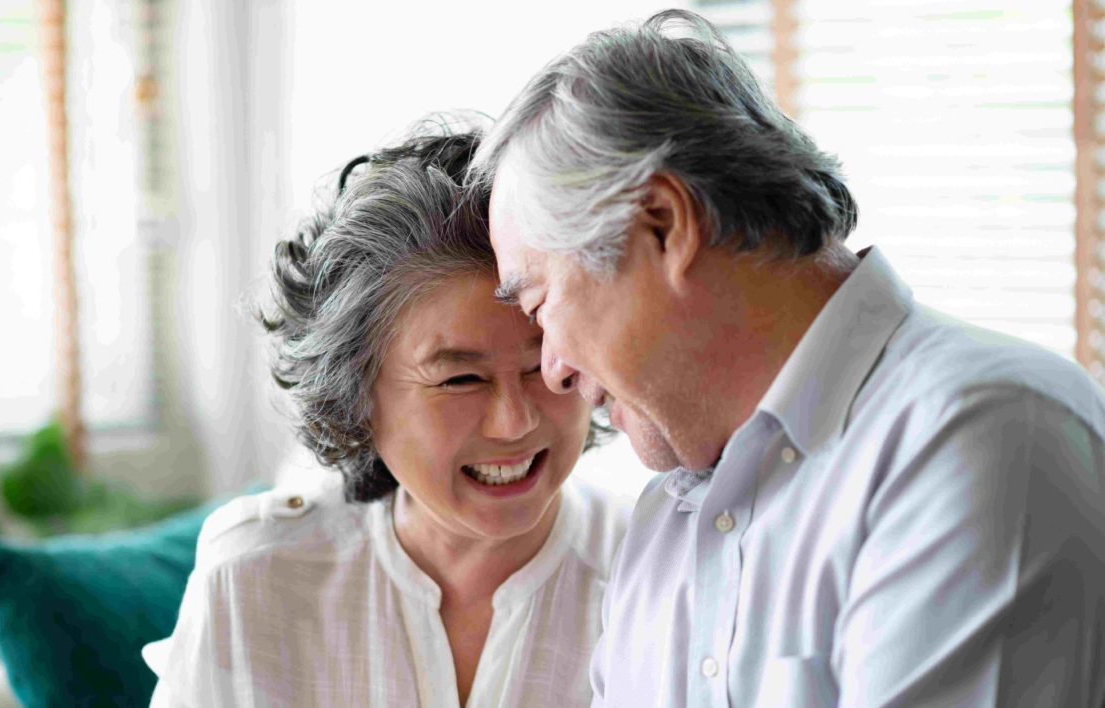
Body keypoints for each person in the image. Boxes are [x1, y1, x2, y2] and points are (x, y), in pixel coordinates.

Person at [471, 9, 1105, 707]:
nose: (554, 369)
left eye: (540, 307)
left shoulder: (979, 433)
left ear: (663, 225)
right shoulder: (665, 523)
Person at [143, 123, 629, 707]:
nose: (515, 423)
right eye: (461, 379)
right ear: (357, 398)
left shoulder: (653, 575)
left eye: (540, 364)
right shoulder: (256, 576)